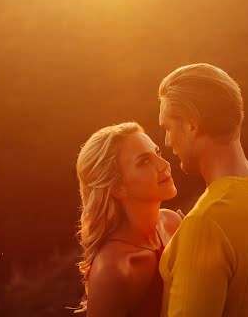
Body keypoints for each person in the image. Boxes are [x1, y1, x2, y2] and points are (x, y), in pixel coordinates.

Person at [158, 62, 248, 317]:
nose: (167, 141)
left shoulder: (205, 223)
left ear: (192, 126)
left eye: (168, 127)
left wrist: (189, 247)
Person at [75, 121, 184, 316]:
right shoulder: (112, 269)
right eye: (144, 161)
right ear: (118, 187)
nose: (164, 165)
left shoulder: (172, 223)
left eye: (157, 154)